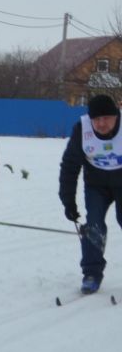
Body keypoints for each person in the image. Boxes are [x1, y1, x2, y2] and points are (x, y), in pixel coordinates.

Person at [60, 93, 122, 295]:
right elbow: (70, 166)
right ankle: (92, 273)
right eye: (97, 119)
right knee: (93, 225)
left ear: (116, 116)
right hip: (96, 185)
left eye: (106, 118)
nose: (102, 124)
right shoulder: (82, 130)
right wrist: (68, 200)